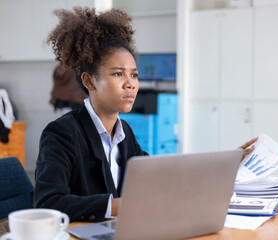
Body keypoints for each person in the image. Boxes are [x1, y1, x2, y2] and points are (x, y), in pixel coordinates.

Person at [34, 6, 257, 223]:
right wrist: (123, 204)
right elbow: (47, 203)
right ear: (89, 80)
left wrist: (221, 165)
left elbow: (159, 174)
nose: (130, 84)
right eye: (118, 74)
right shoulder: (62, 133)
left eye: (134, 75)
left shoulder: (124, 133)